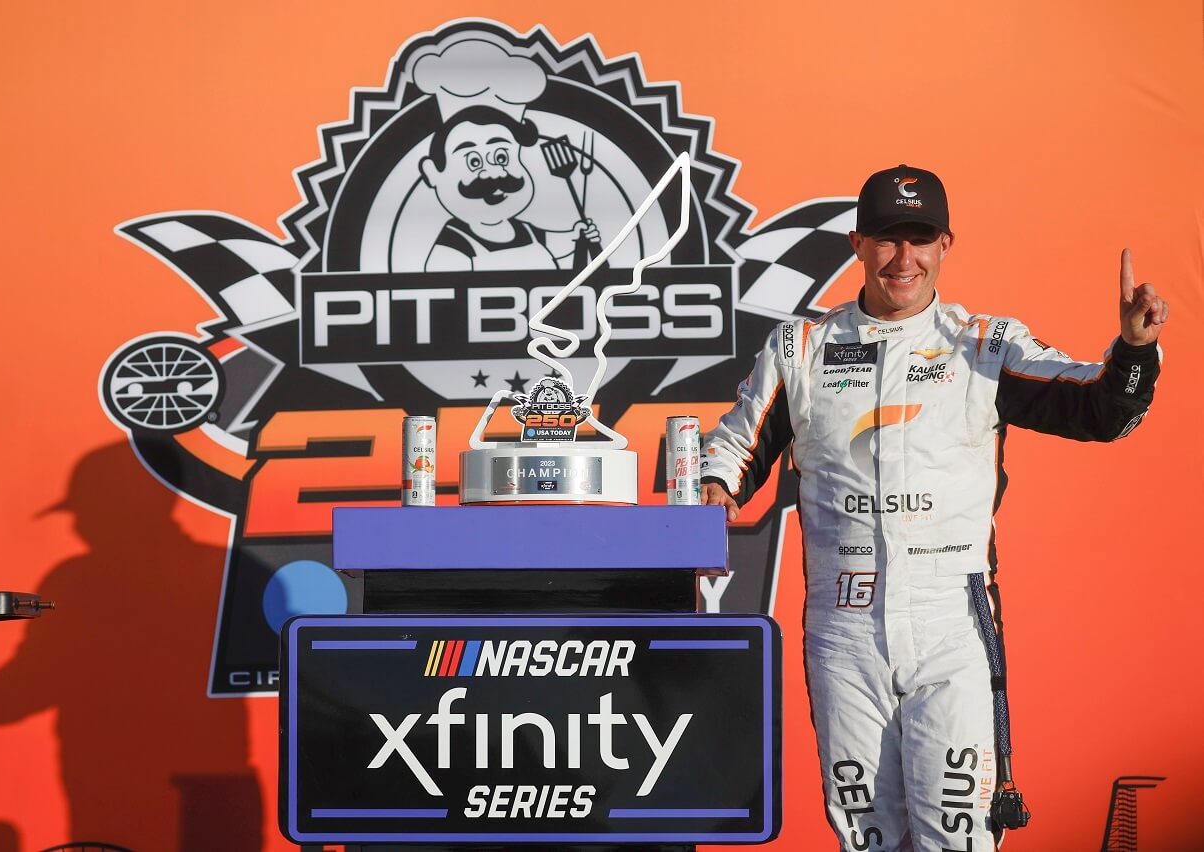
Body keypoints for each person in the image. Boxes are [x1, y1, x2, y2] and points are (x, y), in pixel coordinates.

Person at [699, 164, 1167, 851]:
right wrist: (712, 491)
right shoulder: (800, 349)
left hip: (954, 625)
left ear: (947, 243)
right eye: (887, 239)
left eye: (920, 239)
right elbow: (733, 449)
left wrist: (1133, 349)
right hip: (844, 628)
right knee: (869, 837)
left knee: (961, 836)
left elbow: (1100, 410)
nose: (903, 259)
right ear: (857, 243)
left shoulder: (985, 345)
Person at [418, 106, 599, 271]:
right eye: (474, 162)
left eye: (502, 157)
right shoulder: (453, 247)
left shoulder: (527, 232)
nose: (494, 172)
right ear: (433, 173)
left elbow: (562, 244)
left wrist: (579, 235)